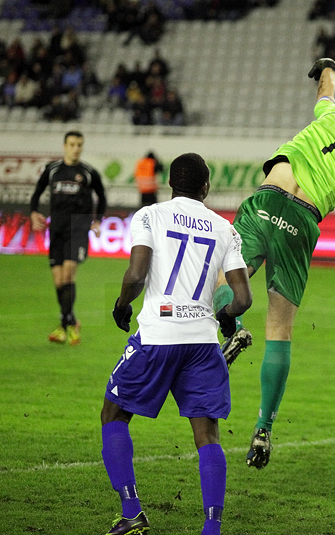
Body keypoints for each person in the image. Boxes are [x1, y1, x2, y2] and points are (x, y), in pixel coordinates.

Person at [212, 58, 335, 469]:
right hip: (302, 222)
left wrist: (327, 66)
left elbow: (326, 87)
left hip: (267, 200)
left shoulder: (330, 113)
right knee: (280, 328)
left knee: (223, 276)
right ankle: (263, 429)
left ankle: (234, 327)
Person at [101, 153, 252, 535]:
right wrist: (227, 316)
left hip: (156, 336)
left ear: (170, 184)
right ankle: (212, 528)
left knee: (113, 415)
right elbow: (243, 297)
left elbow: (136, 273)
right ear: (206, 188)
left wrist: (122, 305)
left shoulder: (150, 215)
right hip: (202, 343)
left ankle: (132, 511)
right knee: (207, 435)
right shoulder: (224, 227)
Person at [30, 131, 106, 345]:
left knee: (68, 274)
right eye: (72, 144)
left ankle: (65, 327)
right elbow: (37, 192)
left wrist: (97, 220)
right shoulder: (53, 169)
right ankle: (70, 321)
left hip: (78, 227)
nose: (76, 148)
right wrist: (34, 212)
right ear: (65, 146)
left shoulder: (88, 173)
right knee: (58, 280)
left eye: (79, 144)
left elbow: (102, 196)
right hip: (57, 228)